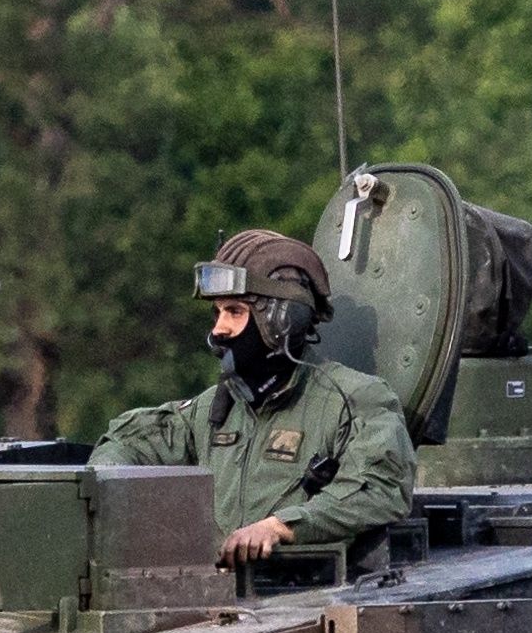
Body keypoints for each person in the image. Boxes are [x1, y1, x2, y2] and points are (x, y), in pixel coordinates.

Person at [98, 227, 415, 564]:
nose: (219, 329)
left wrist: (281, 526)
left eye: (235, 311)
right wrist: (106, 487)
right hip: (218, 598)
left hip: (306, 594)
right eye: (217, 312)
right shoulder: (215, 408)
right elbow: (129, 442)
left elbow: (380, 487)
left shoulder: (352, 401)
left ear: (281, 320)